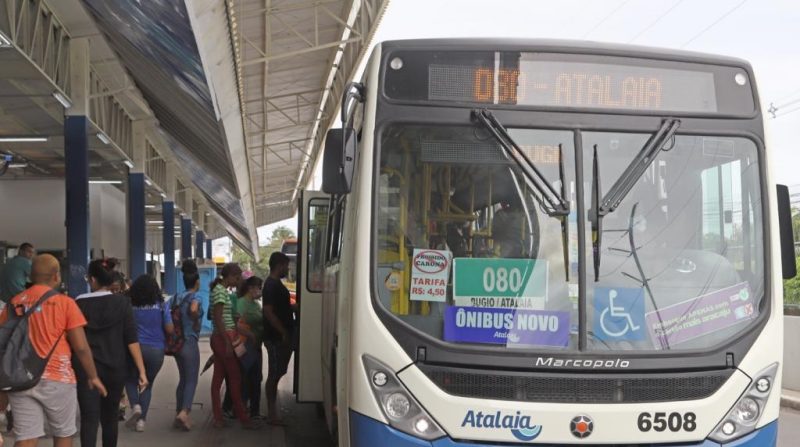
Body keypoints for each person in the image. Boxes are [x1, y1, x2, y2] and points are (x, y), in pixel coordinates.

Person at [1, 254, 107, 447]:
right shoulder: (65, 303)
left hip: (21, 378)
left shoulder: (14, 302)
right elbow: (81, 347)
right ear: (56, 276)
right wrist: (93, 376)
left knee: (25, 437)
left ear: (30, 277)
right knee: (63, 433)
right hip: (58, 379)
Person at [75, 259, 147, 447]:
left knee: (89, 419)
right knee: (110, 418)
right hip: (115, 368)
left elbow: (74, 341)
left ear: (92, 280)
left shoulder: (79, 303)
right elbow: (131, 339)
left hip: (87, 371)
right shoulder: (123, 303)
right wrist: (142, 371)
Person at [210, 263, 258, 429]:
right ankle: (244, 418)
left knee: (218, 379)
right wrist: (227, 342)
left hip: (223, 337)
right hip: (225, 338)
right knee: (236, 378)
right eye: (237, 278)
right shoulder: (220, 292)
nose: (238, 282)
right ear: (229, 276)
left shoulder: (220, 291)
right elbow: (218, 318)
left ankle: (219, 418)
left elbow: (224, 318)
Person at [125, 275, 174, 432]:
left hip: (134, 349)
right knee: (148, 384)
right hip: (156, 350)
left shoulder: (130, 305)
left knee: (131, 380)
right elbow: (169, 329)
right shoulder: (161, 305)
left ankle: (135, 405)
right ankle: (141, 422)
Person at [262, 252, 294, 426]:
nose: (287, 269)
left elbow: (283, 308)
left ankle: (272, 411)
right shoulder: (271, 286)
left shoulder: (276, 285)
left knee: (279, 371)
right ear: (279, 265)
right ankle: (271, 413)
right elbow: (268, 311)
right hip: (275, 337)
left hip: (281, 335)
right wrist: (282, 332)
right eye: (286, 265)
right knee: (274, 374)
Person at [173, 261, 203, 431]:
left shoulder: (177, 296)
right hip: (190, 342)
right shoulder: (196, 296)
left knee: (183, 378)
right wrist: (194, 318)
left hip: (177, 343)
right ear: (197, 282)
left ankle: (178, 412)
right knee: (191, 379)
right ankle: (184, 413)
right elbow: (193, 309)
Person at [237, 276, 264, 419]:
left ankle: (255, 411)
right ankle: (242, 409)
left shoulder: (256, 304)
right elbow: (237, 323)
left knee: (257, 379)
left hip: (257, 347)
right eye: (258, 287)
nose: (259, 291)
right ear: (251, 288)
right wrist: (251, 335)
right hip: (247, 346)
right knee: (246, 378)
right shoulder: (242, 303)